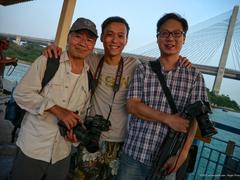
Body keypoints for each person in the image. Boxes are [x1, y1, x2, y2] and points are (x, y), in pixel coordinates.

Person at [43, 16, 192, 179]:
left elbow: (161, 67)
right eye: (110, 34)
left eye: (121, 36)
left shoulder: (136, 66)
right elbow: (72, 53)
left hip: (120, 143)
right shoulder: (90, 60)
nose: (115, 40)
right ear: (101, 37)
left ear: (126, 40)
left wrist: (182, 61)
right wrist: (54, 50)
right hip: (89, 137)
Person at [117, 13, 209, 180]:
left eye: (176, 33)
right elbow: (132, 106)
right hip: (135, 153)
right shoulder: (143, 69)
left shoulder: (195, 76)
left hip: (169, 159)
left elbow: (196, 119)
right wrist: (169, 119)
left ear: (184, 38)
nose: (170, 38)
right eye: (164, 33)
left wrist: (182, 155)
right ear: (157, 37)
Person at [10, 17, 98, 180]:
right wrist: (58, 111)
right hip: (33, 148)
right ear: (69, 37)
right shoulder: (48, 61)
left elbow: (82, 114)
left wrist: (75, 136)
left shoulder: (89, 77)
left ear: (93, 46)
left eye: (89, 39)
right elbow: (21, 94)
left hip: (62, 153)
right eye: (78, 36)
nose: (82, 43)